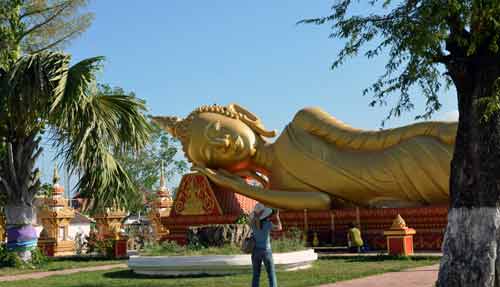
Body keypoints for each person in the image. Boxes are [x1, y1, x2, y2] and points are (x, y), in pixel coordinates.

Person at [155, 103, 456, 210]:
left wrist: (434, 129)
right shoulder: (281, 188)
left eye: (219, 129)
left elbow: (372, 140)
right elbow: (322, 202)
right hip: (404, 196)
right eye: (212, 153)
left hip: (418, 159)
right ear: (227, 170)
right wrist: (239, 187)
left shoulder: (302, 124)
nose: (223, 142)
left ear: (243, 115)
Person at [249, 202, 282, 287]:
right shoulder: (267, 224)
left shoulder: (253, 223)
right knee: (271, 275)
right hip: (266, 251)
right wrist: (277, 217)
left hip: (255, 252)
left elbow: (254, 223)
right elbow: (279, 227)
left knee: (256, 276)